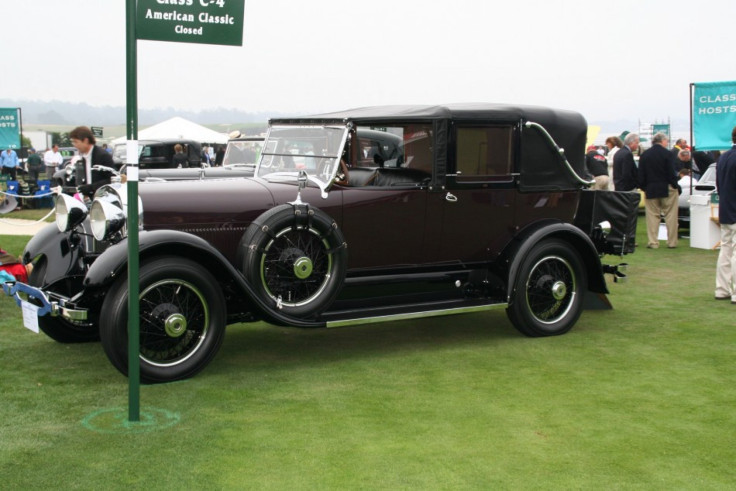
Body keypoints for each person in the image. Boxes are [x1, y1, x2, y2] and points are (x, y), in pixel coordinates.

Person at [638, 132, 679, 249]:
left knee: (652, 216)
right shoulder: (668, 154)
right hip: (667, 187)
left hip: (650, 188)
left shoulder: (645, 155)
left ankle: (653, 242)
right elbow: (671, 172)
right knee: (670, 215)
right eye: (666, 141)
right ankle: (672, 242)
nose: (667, 143)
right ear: (662, 141)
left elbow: (641, 175)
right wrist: (675, 185)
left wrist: (644, 187)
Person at [715, 126, 736, 302]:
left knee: (726, 250)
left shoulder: (723, 158)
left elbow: (720, 186)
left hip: (726, 210)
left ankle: (722, 289)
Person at [69, 126, 115, 198]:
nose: (74, 145)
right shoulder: (84, 157)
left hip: (104, 199)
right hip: (90, 199)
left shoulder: (102, 156)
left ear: (86, 141)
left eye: (76, 142)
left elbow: (112, 180)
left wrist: (91, 187)